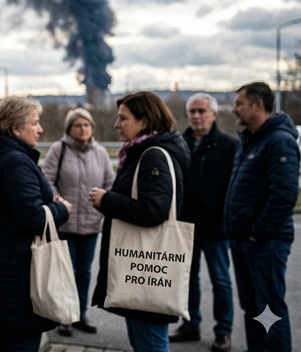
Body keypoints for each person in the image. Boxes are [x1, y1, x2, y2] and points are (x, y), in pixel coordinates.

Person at [88, 91, 190, 352]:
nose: (116, 124)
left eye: (123, 118)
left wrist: (107, 200)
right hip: (141, 268)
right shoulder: (142, 152)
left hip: (146, 269)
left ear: (144, 122)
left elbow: (154, 210)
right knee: (145, 341)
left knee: (151, 343)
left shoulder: (153, 155)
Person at [0, 96, 72, 351]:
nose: (40, 129)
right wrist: (61, 208)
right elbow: (33, 217)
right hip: (21, 272)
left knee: (6, 336)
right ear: (16, 127)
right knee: (23, 337)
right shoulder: (16, 161)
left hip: (0, 264)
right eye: (35, 123)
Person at [225, 81, 297, 352]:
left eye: (239, 103)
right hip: (243, 240)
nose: (233, 109)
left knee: (269, 308)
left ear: (257, 105)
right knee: (252, 306)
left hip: (264, 243)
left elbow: (284, 195)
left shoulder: (279, 141)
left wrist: (258, 233)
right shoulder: (250, 140)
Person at [169, 93, 237, 351]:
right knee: (188, 279)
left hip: (216, 227)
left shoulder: (228, 145)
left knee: (220, 280)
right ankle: (190, 325)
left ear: (214, 115)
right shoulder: (180, 143)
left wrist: (222, 215)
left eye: (202, 111)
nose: (196, 116)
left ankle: (223, 331)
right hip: (185, 226)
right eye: (192, 112)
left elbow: (234, 187)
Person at [41, 107, 114, 337]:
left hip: (92, 224)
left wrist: (104, 203)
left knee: (84, 272)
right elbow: (47, 180)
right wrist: (58, 201)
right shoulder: (58, 149)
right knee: (66, 272)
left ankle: (81, 314)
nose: (82, 129)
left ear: (92, 128)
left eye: (86, 125)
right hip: (66, 223)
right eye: (77, 125)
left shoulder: (101, 153)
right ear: (69, 129)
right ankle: (65, 316)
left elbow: (110, 183)